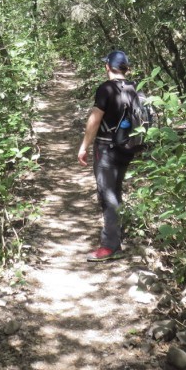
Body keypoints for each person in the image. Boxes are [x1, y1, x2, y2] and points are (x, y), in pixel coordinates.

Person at [77, 50, 138, 262]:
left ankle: (110, 245)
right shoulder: (134, 88)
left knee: (107, 195)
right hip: (128, 148)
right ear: (126, 68)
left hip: (106, 149)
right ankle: (117, 231)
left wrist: (84, 146)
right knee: (115, 190)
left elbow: (95, 120)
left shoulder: (106, 89)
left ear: (107, 67)